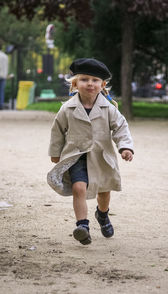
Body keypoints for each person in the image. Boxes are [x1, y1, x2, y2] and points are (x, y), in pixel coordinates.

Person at [47, 58, 134, 245]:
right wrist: (55, 151)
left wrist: (125, 147)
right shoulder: (67, 108)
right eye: (85, 79)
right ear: (75, 84)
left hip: (101, 157)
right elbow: (57, 130)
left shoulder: (109, 109)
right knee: (79, 188)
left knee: (104, 191)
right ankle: (82, 226)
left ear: (102, 85)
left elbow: (120, 127)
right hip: (76, 156)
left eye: (95, 80)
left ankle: (102, 215)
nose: (90, 84)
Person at [0, 43, 8, 110]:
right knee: (1, 91)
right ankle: (1, 104)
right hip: (3, 75)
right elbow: (6, 67)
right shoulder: (5, 56)